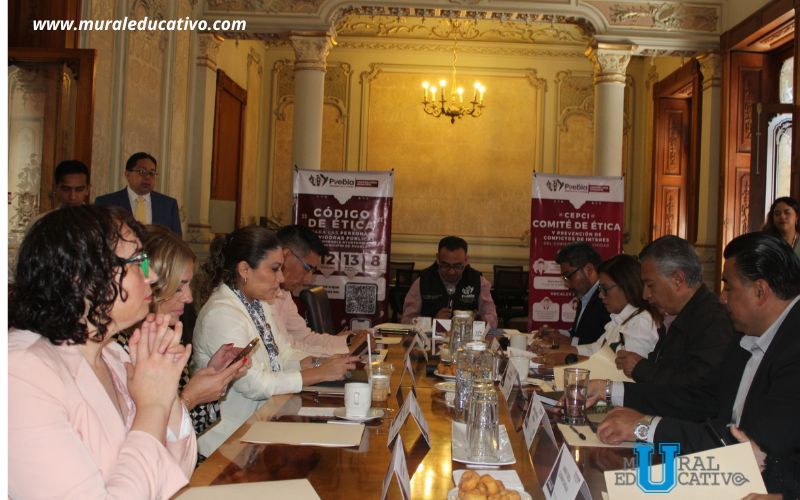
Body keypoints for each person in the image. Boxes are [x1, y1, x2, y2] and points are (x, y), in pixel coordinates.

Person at [595, 232, 800, 499]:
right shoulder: (746, 335)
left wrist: (645, 426)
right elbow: (702, 400)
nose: (723, 298)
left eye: (728, 287)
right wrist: (619, 398)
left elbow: (751, 444)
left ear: (760, 291)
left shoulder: (790, 348)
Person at [9, 205, 196, 498]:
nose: (150, 276)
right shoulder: (21, 372)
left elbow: (178, 471)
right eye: (137, 261)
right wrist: (152, 409)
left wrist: (164, 390)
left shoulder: (114, 355)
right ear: (82, 275)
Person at [192, 225, 359, 456]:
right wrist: (319, 373)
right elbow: (255, 385)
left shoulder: (257, 303)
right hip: (225, 445)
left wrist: (324, 362)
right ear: (244, 269)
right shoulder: (222, 314)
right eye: (274, 269)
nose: (280, 278)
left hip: (257, 429)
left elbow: (284, 355)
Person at [115, 225, 247, 444]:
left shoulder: (165, 336)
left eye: (188, 285)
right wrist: (190, 397)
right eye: (179, 287)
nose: (189, 298)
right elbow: (140, 441)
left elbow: (187, 430)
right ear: (151, 286)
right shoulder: (121, 348)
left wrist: (212, 374)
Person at [583, 235, 736, 422]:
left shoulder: (712, 321)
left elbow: (693, 391)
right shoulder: (678, 316)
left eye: (650, 285)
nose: (645, 294)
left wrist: (635, 372)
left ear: (678, 280)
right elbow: (665, 379)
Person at [535, 254, 660, 364]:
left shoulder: (640, 323)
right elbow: (595, 349)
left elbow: (627, 372)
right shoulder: (618, 320)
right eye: (600, 289)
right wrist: (552, 349)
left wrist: (568, 358)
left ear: (626, 285)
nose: (600, 295)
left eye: (605, 289)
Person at [274, 224, 367, 356]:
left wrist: (348, 341)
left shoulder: (283, 292)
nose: (308, 280)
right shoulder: (261, 295)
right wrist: (347, 350)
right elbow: (286, 353)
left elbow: (304, 339)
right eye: (307, 268)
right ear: (286, 255)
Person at [401, 236, 498, 328]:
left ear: (466, 260)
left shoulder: (479, 281)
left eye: (458, 266)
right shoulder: (422, 281)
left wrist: (477, 320)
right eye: (445, 265)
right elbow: (406, 320)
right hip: (429, 338)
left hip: (468, 338)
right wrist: (432, 322)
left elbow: (493, 320)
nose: (451, 272)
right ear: (438, 259)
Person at [95, 152, 182, 236]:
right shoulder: (105, 203)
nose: (147, 177)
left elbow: (176, 240)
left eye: (152, 173)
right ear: (127, 174)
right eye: (141, 171)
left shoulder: (168, 205)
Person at [551, 241, 611, 345]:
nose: (566, 285)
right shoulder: (585, 295)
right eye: (564, 278)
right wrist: (557, 334)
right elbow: (578, 334)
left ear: (589, 270)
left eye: (568, 276)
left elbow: (603, 344)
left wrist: (567, 341)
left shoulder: (606, 299)